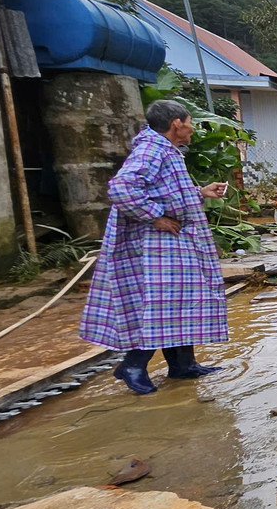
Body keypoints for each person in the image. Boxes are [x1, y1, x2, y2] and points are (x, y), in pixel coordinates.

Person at [80, 100, 229, 394]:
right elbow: (121, 188)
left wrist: (200, 192)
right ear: (176, 124)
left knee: (184, 302)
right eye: (189, 122)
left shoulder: (166, 150)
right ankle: (132, 365)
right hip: (158, 247)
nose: (191, 129)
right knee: (163, 305)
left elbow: (167, 192)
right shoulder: (152, 149)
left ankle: (182, 365)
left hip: (176, 243)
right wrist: (155, 218)